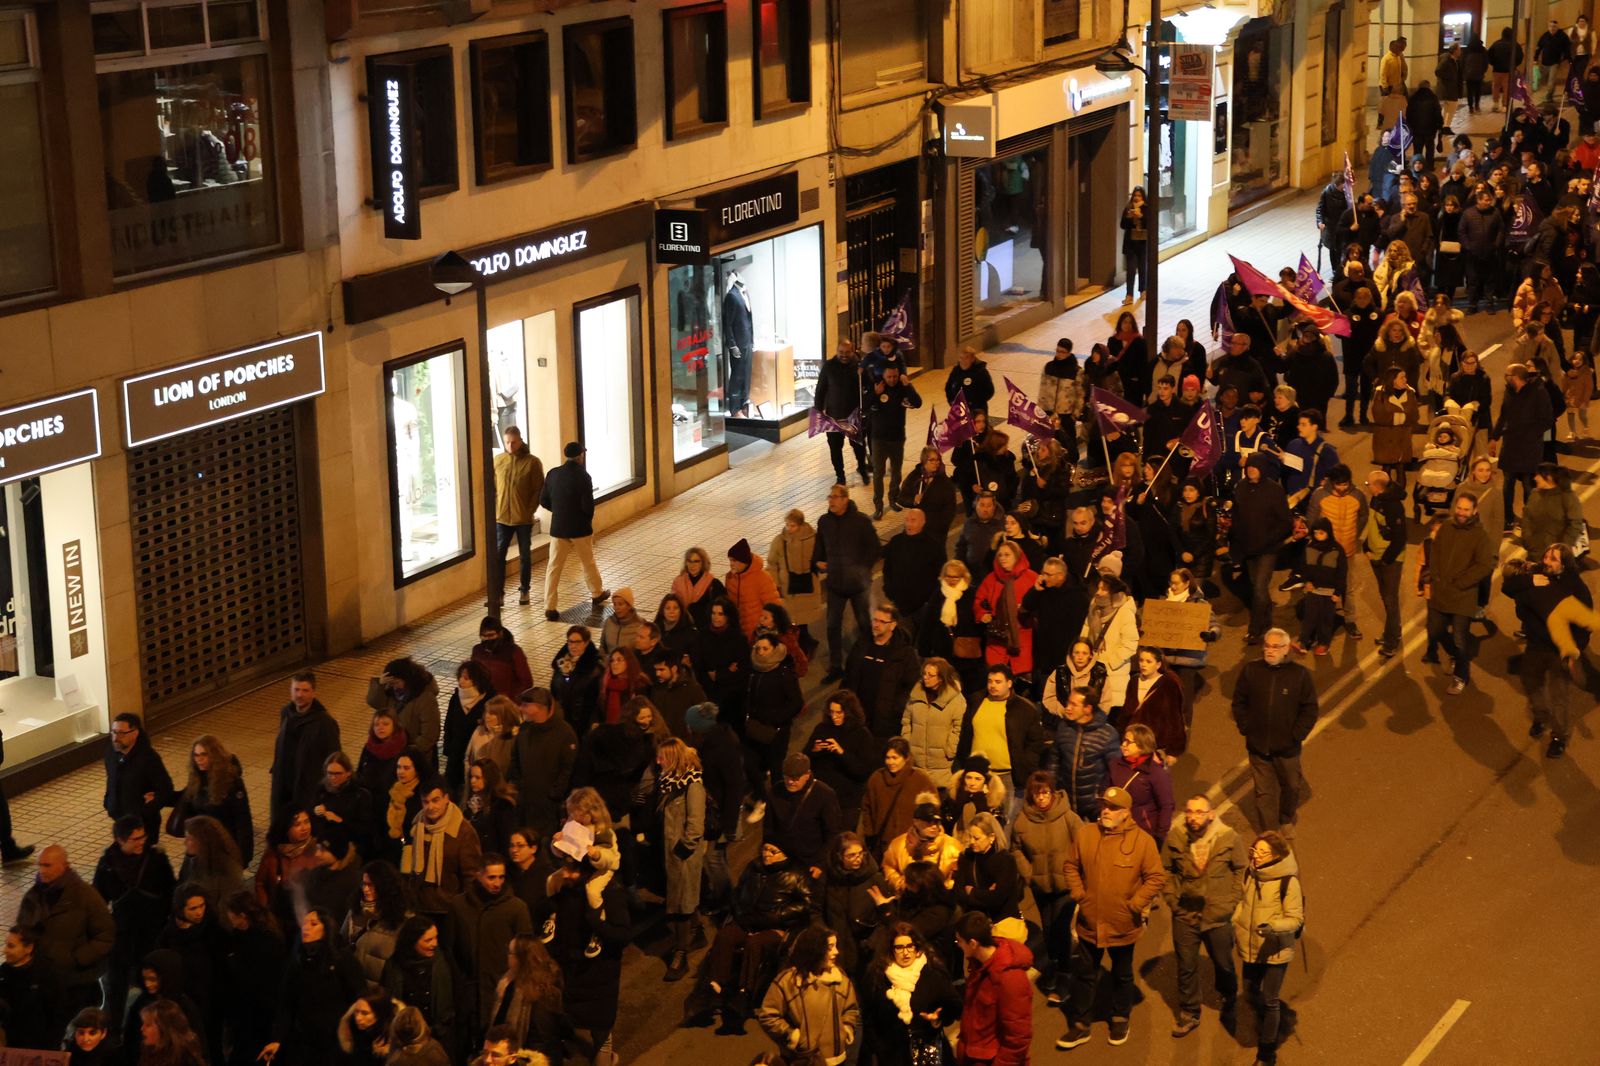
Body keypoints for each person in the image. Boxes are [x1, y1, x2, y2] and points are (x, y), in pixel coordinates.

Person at [1055, 786, 1165, 1051]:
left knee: (1122, 974)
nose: (1106, 811)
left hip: (1122, 923)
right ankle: (1081, 1024)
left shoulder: (1142, 842)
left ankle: (1120, 1018)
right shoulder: (1086, 834)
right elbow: (1070, 865)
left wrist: (1135, 905)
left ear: (1126, 813)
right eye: (1104, 806)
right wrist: (1079, 893)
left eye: (1113, 808)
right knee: (1085, 974)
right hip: (1089, 922)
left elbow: (1156, 877)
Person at [690, 840, 811, 1032]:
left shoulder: (796, 874)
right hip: (747, 920)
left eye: (773, 851)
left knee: (754, 944)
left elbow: (805, 904)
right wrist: (739, 912)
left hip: (774, 925)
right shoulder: (754, 868)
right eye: (765, 849)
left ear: (784, 854)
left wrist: (778, 915)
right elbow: (737, 892)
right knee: (725, 937)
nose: (766, 854)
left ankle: (745, 992)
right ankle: (715, 986)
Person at [1163, 795, 1245, 1037]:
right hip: (1185, 913)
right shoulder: (1175, 837)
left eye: (1199, 812)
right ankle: (1189, 1012)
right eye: (1189, 811)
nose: (1193, 817)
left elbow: (1241, 869)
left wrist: (1231, 902)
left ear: (1211, 814)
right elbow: (1165, 870)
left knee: (1223, 962)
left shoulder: (1228, 837)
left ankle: (1229, 997)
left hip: (1217, 914)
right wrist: (1172, 902)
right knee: (1186, 965)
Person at [1230, 630, 1318, 834]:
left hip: (1287, 748)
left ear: (1286, 649)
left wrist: (1296, 735)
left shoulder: (1299, 675)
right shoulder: (1251, 671)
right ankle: (1268, 833)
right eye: (1267, 646)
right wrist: (1246, 727)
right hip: (1258, 747)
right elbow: (1239, 702)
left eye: (1276, 647)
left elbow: (1310, 709)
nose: (1270, 650)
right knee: (1264, 793)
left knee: (1292, 786)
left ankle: (1286, 818)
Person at [16, 846, 114, 1015]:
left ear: (64, 866)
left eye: (47, 865)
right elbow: (23, 930)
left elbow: (105, 935)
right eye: (40, 865)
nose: (42, 870)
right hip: (43, 979)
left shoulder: (86, 896)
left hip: (76, 983)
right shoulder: (33, 896)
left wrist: (78, 958)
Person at [1234, 833, 1304, 1066]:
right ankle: (1269, 1021)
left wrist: (1273, 927)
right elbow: (1243, 902)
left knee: (1270, 999)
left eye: (1262, 853)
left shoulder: (1288, 882)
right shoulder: (1251, 873)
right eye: (1254, 851)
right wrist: (1236, 922)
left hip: (1276, 950)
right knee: (1250, 991)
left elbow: (1295, 919)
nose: (1255, 856)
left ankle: (1266, 1053)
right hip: (1252, 946)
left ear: (1275, 857)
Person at [446, 853, 532, 1044]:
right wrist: (460, 981)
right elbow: (450, 948)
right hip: (468, 991)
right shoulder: (459, 906)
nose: (497, 883)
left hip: (501, 988)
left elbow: (526, 951)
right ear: (479, 875)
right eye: (491, 877)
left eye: (501, 877)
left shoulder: (516, 908)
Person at [93, 815, 176, 1014]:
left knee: (151, 982)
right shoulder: (107, 865)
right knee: (116, 983)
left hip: (151, 932)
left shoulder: (156, 860)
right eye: (135, 839)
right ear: (120, 840)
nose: (142, 842)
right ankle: (114, 1023)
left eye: (143, 837)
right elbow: (98, 898)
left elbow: (170, 891)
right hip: (122, 934)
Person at [756, 926, 860, 1066]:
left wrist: (845, 1029)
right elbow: (768, 1015)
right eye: (830, 947)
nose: (836, 952)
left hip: (835, 1059)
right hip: (801, 1060)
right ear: (814, 949)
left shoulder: (840, 980)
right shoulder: (788, 982)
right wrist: (792, 1036)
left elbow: (851, 1009)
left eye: (836, 946)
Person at [860, 923, 961, 1066]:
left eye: (910, 946)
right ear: (891, 950)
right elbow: (869, 1016)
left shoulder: (932, 972)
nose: (905, 952)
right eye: (899, 947)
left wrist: (938, 1018)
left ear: (917, 947)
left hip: (929, 1053)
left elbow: (955, 1005)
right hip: (893, 1056)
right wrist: (879, 1048)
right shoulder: (878, 977)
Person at [1428, 492, 1498, 695]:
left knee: (1460, 640)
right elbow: (1435, 551)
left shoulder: (1480, 536)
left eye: (1466, 509)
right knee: (1435, 631)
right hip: (1441, 591)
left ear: (1474, 511)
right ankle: (1454, 656)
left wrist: (1462, 583)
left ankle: (1461, 676)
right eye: (1459, 508)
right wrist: (1435, 575)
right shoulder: (1446, 527)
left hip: (1463, 596)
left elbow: (1485, 565)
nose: (1461, 512)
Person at [953, 665, 1044, 820]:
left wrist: (1025, 766)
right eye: (990, 681)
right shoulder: (976, 701)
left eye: (998, 682)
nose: (992, 685)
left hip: (1007, 777)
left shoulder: (1024, 709)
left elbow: (1034, 743)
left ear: (1009, 683)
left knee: (1006, 822)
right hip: (979, 776)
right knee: (974, 822)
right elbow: (966, 734)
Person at [652, 736, 707, 981]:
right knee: (684, 897)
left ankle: (681, 953)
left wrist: (683, 849)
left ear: (673, 758)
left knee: (682, 904)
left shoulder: (692, 785)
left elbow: (695, 824)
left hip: (683, 854)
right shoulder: (668, 781)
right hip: (671, 853)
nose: (658, 761)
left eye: (662, 757)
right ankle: (698, 933)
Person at [816, 485, 882, 682]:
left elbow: (875, 548)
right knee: (832, 626)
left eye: (835, 497)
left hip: (858, 585)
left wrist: (862, 569)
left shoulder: (861, 521)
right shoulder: (824, 522)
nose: (831, 500)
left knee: (864, 623)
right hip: (835, 584)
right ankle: (836, 666)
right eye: (830, 497)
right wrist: (818, 561)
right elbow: (819, 547)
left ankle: (871, 658)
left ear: (845, 499)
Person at [539, 441, 611, 621]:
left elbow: (543, 500)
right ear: (580, 456)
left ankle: (550, 607)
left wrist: (559, 512)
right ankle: (596, 593)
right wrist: (584, 518)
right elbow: (588, 506)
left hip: (559, 528)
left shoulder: (553, 474)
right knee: (588, 562)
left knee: (554, 567)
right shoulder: (583, 476)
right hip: (580, 528)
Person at [954, 911, 1033, 1066]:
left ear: (973, 944)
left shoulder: (1009, 978)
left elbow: (1019, 1036)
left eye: (959, 941)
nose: (958, 946)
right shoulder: (979, 965)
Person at [168, 734, 253, 866]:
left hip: (223, 846)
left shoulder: (231, 782)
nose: (199, 760)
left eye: (204, 755)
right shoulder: (197, 778)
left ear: (215, 756)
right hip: (201, 844)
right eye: (196, 755)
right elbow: (185, 797)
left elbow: (242, 820)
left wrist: (243, 856)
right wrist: (160, 797)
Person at [404, 779, 484, 917]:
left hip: (450, 910)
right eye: (425, 802)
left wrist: (466, 910)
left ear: (446, 798)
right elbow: (410, 869)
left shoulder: (462, 831)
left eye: (435, 800)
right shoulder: (417, 826)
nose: (430, 807)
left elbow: (471, 876)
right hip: (420, 907)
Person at [843, 602, 922, 741]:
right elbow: (849, 674)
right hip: (857, 713)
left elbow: (912, 686)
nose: (876, 624)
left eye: (882, 621)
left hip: (883, 720)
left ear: (892, 625)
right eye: (875, 620)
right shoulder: (861, 644)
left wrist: (895, 709)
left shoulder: (904, 653)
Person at [1041, 684, 1120, 821]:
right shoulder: (1064, 728)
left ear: (1087, 709)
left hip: (1095, 807)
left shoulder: (1107, 734)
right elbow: (1054, 762)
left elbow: (1116, 772)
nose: (1068, 708)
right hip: (1066, 803)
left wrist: (1103, 799)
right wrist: (1052, 790)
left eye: (1074, 704)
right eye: (1068, 703)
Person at [816, 831, 889, 976]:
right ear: (839, 856)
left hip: (865, 951)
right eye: (851, 855)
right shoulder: (828, 879)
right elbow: (815, 910)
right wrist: (824, 936)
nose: (858, 859)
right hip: (834, 948)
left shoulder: (873, 878)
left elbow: (886, 914)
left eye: (861, 853)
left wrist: (873, 942)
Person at [507, 688, 577, 837]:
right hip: (525, 804)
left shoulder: (565, 733)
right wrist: (518, 785)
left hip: (548, 809)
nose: (521, 709)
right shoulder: (525, 729)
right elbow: (515, 759)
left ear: (540, 707)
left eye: (526, 705)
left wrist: (554, 794)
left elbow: (568, 769)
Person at [805, 691, 879, 829]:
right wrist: (814, 750)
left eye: (839, 712)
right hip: (821, 795)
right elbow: (805, 759)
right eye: (831, 712)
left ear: (849, 712)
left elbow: (863, 770)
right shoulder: (822, 728)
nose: (834, 716)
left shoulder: (862, 734)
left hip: (846, 801)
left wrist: (841, 752)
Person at [1490, 364, 1555, 519]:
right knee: (1507, 484)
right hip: (1510, 446)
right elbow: (1503, 415)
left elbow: (1547, 420)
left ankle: (1528, 517)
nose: (1505, 378)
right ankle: (1508, 517)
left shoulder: (1539, 392)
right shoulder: (1509, 391)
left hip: (1529, 448)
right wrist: (1494, 438)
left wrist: (1530, 435)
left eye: (1508, 375)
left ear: (1517, 377)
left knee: (1528, 486)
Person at [763, 752, 842, 879]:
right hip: (781, 859)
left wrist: (820, 864)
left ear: (807, 774)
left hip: (810, 864)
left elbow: (832, 834)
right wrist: (768, 848)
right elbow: (768, 826)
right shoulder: (776, 791)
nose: (790, 782)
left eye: (795, 778)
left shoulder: (824, 794)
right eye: (786, 776)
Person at [381, 917, 456, 1048]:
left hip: (437, 1037)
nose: (435, 944)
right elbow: (387, 998)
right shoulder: (394, 966)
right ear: (412, 942)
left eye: (436, 938)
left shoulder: (442, 963)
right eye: (428, 940)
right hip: (404, 1038)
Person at [486, 936, 562, 1062]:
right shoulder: (508, 981)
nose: (507, 956)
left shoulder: (543, 991)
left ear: (522, 958)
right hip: (505, 1056)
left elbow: (541, 1038)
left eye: (510, 952)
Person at [493, 426, 545, 607]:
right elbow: (493, 487)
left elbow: (538, 489)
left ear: (520, 441)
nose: (510, 446)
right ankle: (498, 593)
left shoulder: (532, 462)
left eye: (513, 442)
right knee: (499, 555)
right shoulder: (498, 461)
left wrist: (529, 510)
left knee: (525, 555)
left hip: (523, 518)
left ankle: (524, 590)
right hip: (502, 518)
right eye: (507, 442)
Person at [860, 738, 937, 859]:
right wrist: (869, 833)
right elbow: (867, 808)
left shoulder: (920, 779)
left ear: (906, 758)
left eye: (895, 758)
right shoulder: (876, 779)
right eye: (887, 758)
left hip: (912, 843)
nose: (890, 762)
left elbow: (933, 811)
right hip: (883, 843)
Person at [104, 714, 174, 843]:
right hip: (120, 821)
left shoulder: (149, 758)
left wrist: (147, 810)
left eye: (121, 733)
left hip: (143, 825)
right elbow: (111, 779)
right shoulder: (111, 753)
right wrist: (109, 802)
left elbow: (166, 789)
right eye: (113, 732)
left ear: (135, 733)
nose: (115, 738)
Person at [867, 364, 925, 520]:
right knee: (878, 473)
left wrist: (908, 385)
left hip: (897, 438)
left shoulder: (902, 388)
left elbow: (918, 403)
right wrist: (875, 393)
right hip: (879, 439)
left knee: (896, 471)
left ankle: (893, 498)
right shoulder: (877, 387)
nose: (892, 380)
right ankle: (878, 506)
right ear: (883, 376)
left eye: (894, 376)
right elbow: (864, 406)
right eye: (889, 377)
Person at [1362, 470, 1408, 658]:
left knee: (1390, 600)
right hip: (1376, 555)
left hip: (1389, 560)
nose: (1367, 486)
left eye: (1368, 484)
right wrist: (1366, 545)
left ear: (1377, 486)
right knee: (1386, 598)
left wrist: (1386, 560)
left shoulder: (1394, 506)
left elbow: (1400, 538)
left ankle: (1392, 641)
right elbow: (1373, 525)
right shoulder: (1376, 499)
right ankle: (1392, 632)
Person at [901, 658, 966, 789]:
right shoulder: (916, 696)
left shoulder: (956, 700)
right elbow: (906, 722)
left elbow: (957, 728)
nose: (926, 677)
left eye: (931, 675)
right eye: (924, 673)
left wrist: (950, 750)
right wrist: (907, 745)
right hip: (916, 763)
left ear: (941, 678)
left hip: (942, 765)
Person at [0, 924, 65, 1052]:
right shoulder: (4, 971)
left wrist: (52, 1047)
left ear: (29, 948)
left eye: (11, 946)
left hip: (38, 1047)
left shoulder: (47, 975)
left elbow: (57, 1015)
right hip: (10, 1044)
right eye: (6, 945)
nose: (4, 950)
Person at [814, 339, 870, 486]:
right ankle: (840, 475)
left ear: (852, 351)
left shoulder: (859, 366)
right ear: (837, 351)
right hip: (833, 415)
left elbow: (869, 386)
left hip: (854, 415)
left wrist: (866, 407)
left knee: (858, 446)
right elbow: (820, 389)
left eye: (847, 352)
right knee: (835, 448)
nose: (844, 355)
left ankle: (862, 468)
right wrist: (818, 410)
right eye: (841, 352)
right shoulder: (829, 366)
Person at [882, 508, 946, 637]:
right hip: (900, 603)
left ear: (923, 522)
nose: (908, 524)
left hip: (923, 605)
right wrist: (889, 590)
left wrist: (931, 600)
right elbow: (887, 568)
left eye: (913, 520)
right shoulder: (896, 542)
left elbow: (941, 575)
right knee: (902, 637)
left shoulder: (933, 546)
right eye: (906, 520)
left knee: (924, 637)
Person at [341, 861, 408, 985]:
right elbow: (342, 942)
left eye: (371, 885)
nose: (365, 889)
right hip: (355, 985)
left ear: (384, 887)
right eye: (363, 884)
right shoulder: (355, 912)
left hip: (381, 989)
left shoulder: (400, 919)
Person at [367, 658, 441, 765]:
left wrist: (409, 752)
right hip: (394, 754)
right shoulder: (390, 693)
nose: (394, 686)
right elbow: (374, 703)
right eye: (391, 683)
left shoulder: (425, 699)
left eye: (396, 682)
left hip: (416, 758)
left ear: (407, 680)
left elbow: (430, 734)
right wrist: (380, 685)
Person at [880, 799, 962, 893]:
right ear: (916, 821)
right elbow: (888, 868)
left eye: (937, 822)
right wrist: (901, 884)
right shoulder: (898, 845)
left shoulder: (953, 847)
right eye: (929, 822)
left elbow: (961, 877)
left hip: (940, 899)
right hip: (908, 898)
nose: (934, 826)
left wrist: (943, 888)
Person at [314, 752, 374, 864]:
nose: (333, 778)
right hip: (325, 847)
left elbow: (365, 830)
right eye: (329, 773)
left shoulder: (360, 795)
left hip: (350, 850)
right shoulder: (322, 791)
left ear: (348, 773)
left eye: (338, 774)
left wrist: (340, 820)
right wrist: (316, 812)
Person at [179, 815, 245, 909]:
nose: (185, 843)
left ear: (203, 842)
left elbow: (226, 909)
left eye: (190, 839)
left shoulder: (228, 870)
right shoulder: (192, 858)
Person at [472, 618, 533, 706]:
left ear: (500, 634)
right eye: (483, 636)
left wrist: (510, 698)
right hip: (482, 701)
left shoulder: (513, 651)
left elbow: (526, 681)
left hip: (506, 703)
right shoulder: (477, 650)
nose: (487, 639)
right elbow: (472, 675)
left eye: (491, 635)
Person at [336, 991, 400, 1066]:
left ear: (379, 1014)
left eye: (365, 1013)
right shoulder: (352, 1031)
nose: (358, 1018)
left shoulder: (391, 1046)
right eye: (356, 1011)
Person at [136, 998, 206, 1066]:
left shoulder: (184, 1058)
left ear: (164, 1028)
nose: (142, 1028)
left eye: (148, 1025)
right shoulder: (149, 1051)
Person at [945, 345, 996, 411]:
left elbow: (989, 391)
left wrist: (976, 404)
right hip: (958, 409)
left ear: (972, 359)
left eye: (966, 358)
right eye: (961, 358)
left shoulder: (981, 372)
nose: (963, 361)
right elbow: (948, 387)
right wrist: (951, 401)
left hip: (977, 409)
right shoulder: (956, 371)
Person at [1120, 187, 1149, 303]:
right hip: (1130, 243)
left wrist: (1141, 216)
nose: (1136, 198)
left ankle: (1143, 291)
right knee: (1131, 270)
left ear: (1143, 197)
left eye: (1139, 195)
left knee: (1142, 268)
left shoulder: (1146, 208)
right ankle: (1129, 295)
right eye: (1135, 195)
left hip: (1143, 243)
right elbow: (1122, 225)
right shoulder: (1128, 207)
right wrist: (1129, 218)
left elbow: (1150, 224)